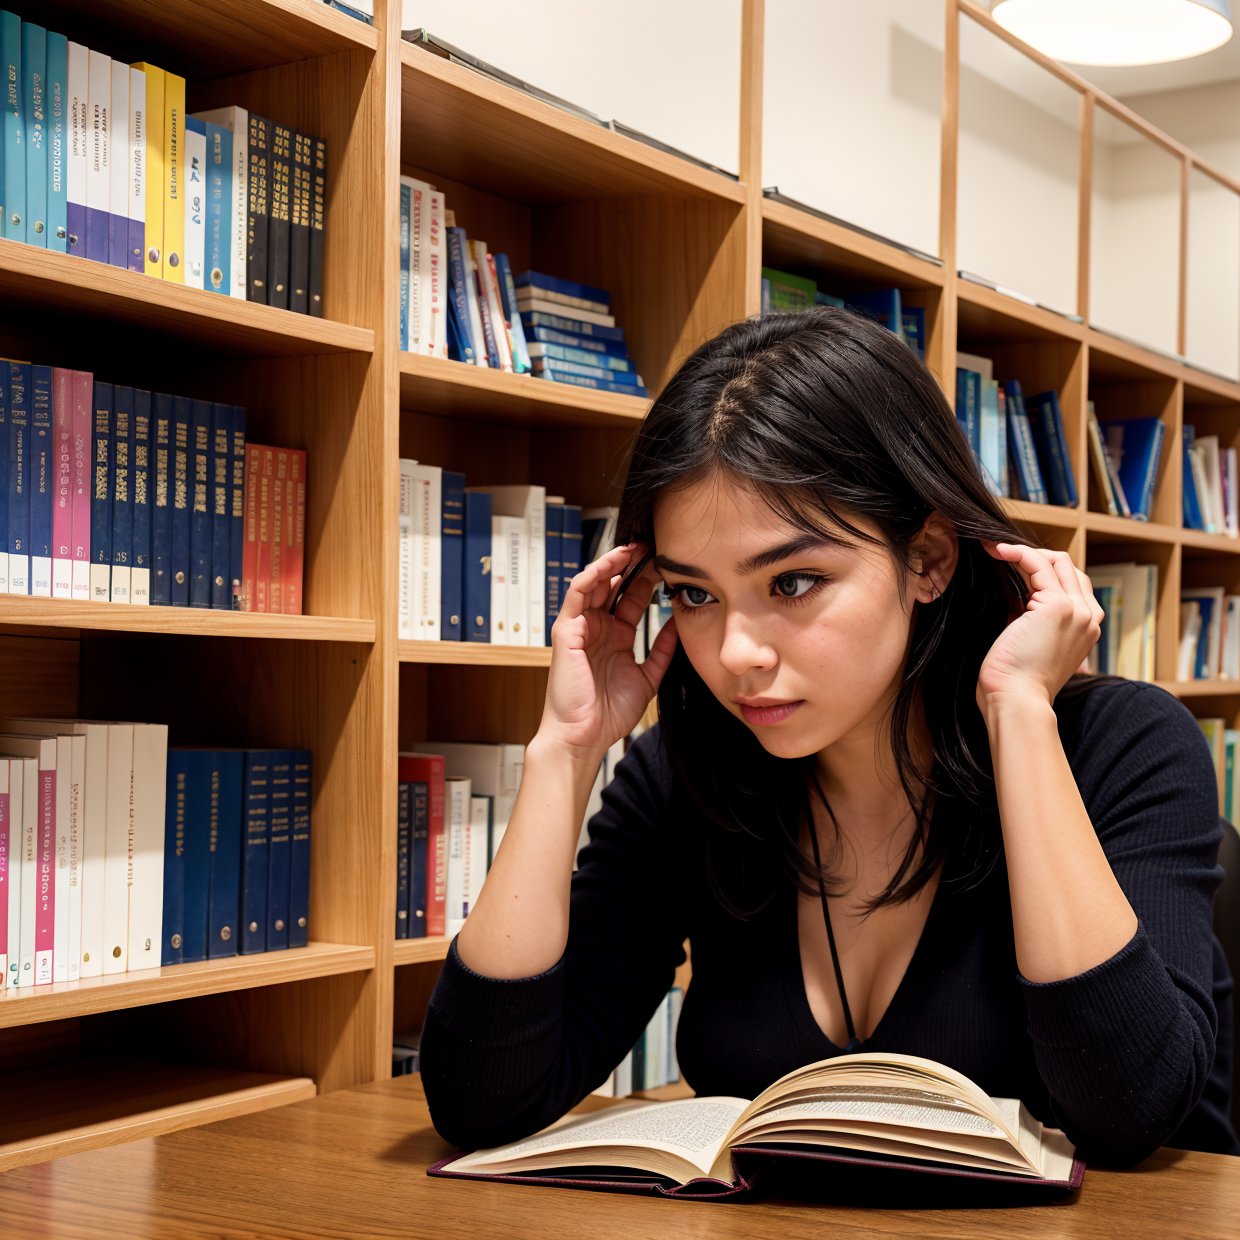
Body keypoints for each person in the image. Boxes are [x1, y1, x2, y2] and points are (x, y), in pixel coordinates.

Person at [420, 307, 1239, 1165]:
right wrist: (566, 749)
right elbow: (482, 1102)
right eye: (694, 595)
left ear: (927, 559)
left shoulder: (1121, 745)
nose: (736, 654)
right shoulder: (687, 779)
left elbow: (1132, 1112)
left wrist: (1020, 711)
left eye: (795, 581)